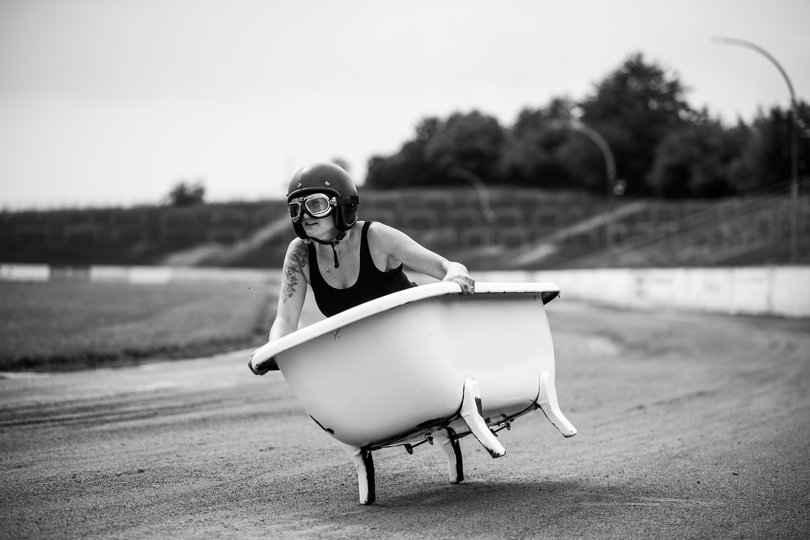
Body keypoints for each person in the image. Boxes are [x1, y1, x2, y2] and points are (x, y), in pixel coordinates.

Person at [249, 162, 475, 375]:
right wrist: (274, 350)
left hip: (417, 345)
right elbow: (285, 320)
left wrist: (455, 274)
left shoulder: (376, 237)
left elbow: (447, 266)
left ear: (342, 205)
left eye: (315, 204)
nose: (305, 215)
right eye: (296, 208)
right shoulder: (299, 253)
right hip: (362, 358)